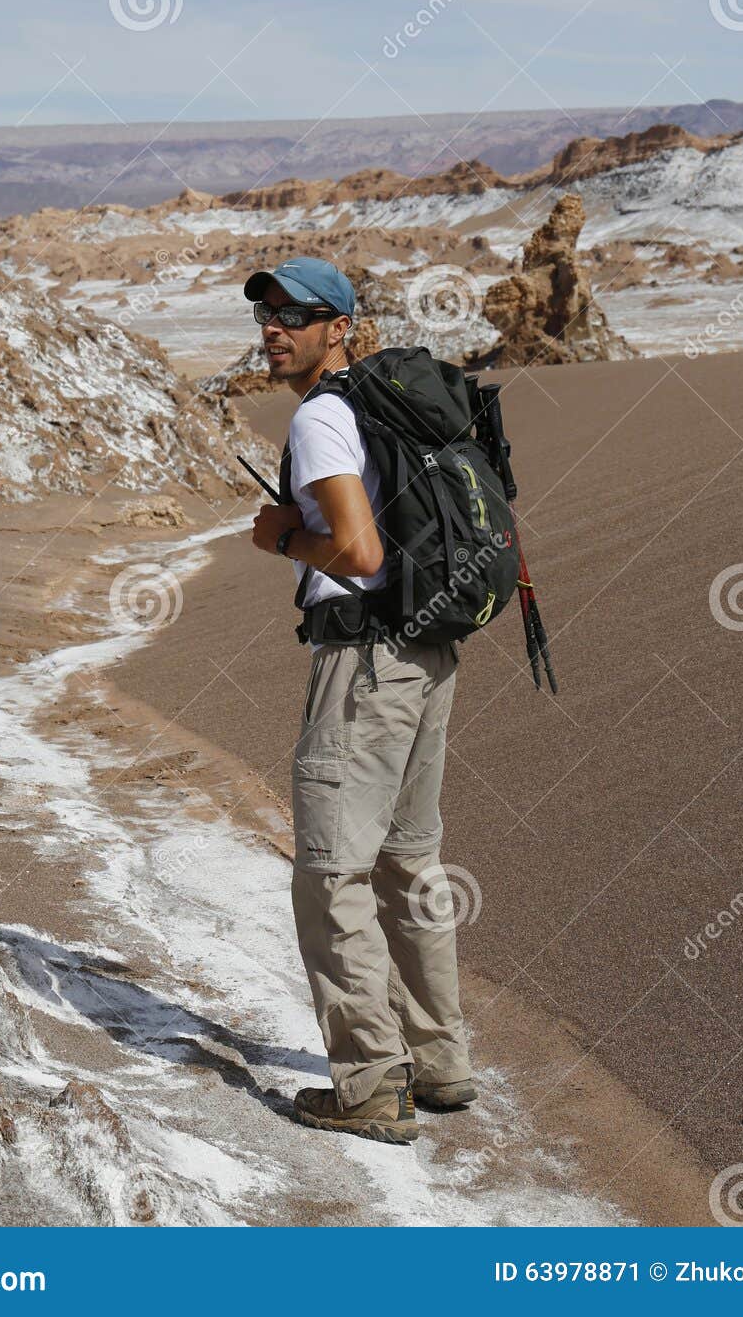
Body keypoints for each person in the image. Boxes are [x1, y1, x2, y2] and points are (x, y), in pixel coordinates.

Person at [246, 256, 477, 1146]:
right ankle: (441, 1064)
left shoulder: (323, 418)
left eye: (295, 314)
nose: (274, 328)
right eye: (265, 313)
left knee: (332, 870)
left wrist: (283, 539)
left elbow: (360, 553)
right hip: (428, 653)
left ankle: (373, 1085)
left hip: (365, 657)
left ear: (338, 326)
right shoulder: (387, 403)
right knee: (409, 862)